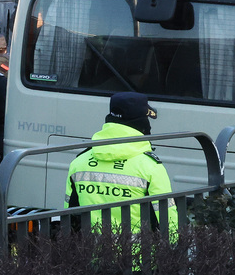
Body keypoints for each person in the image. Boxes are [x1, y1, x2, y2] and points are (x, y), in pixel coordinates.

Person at [65, 92, 173, 231]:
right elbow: (168, 219)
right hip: (138, 252)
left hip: (91, 251)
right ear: (142, 124)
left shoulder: (79, 162)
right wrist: (175, 249)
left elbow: (69, 217)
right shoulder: (150, 167)